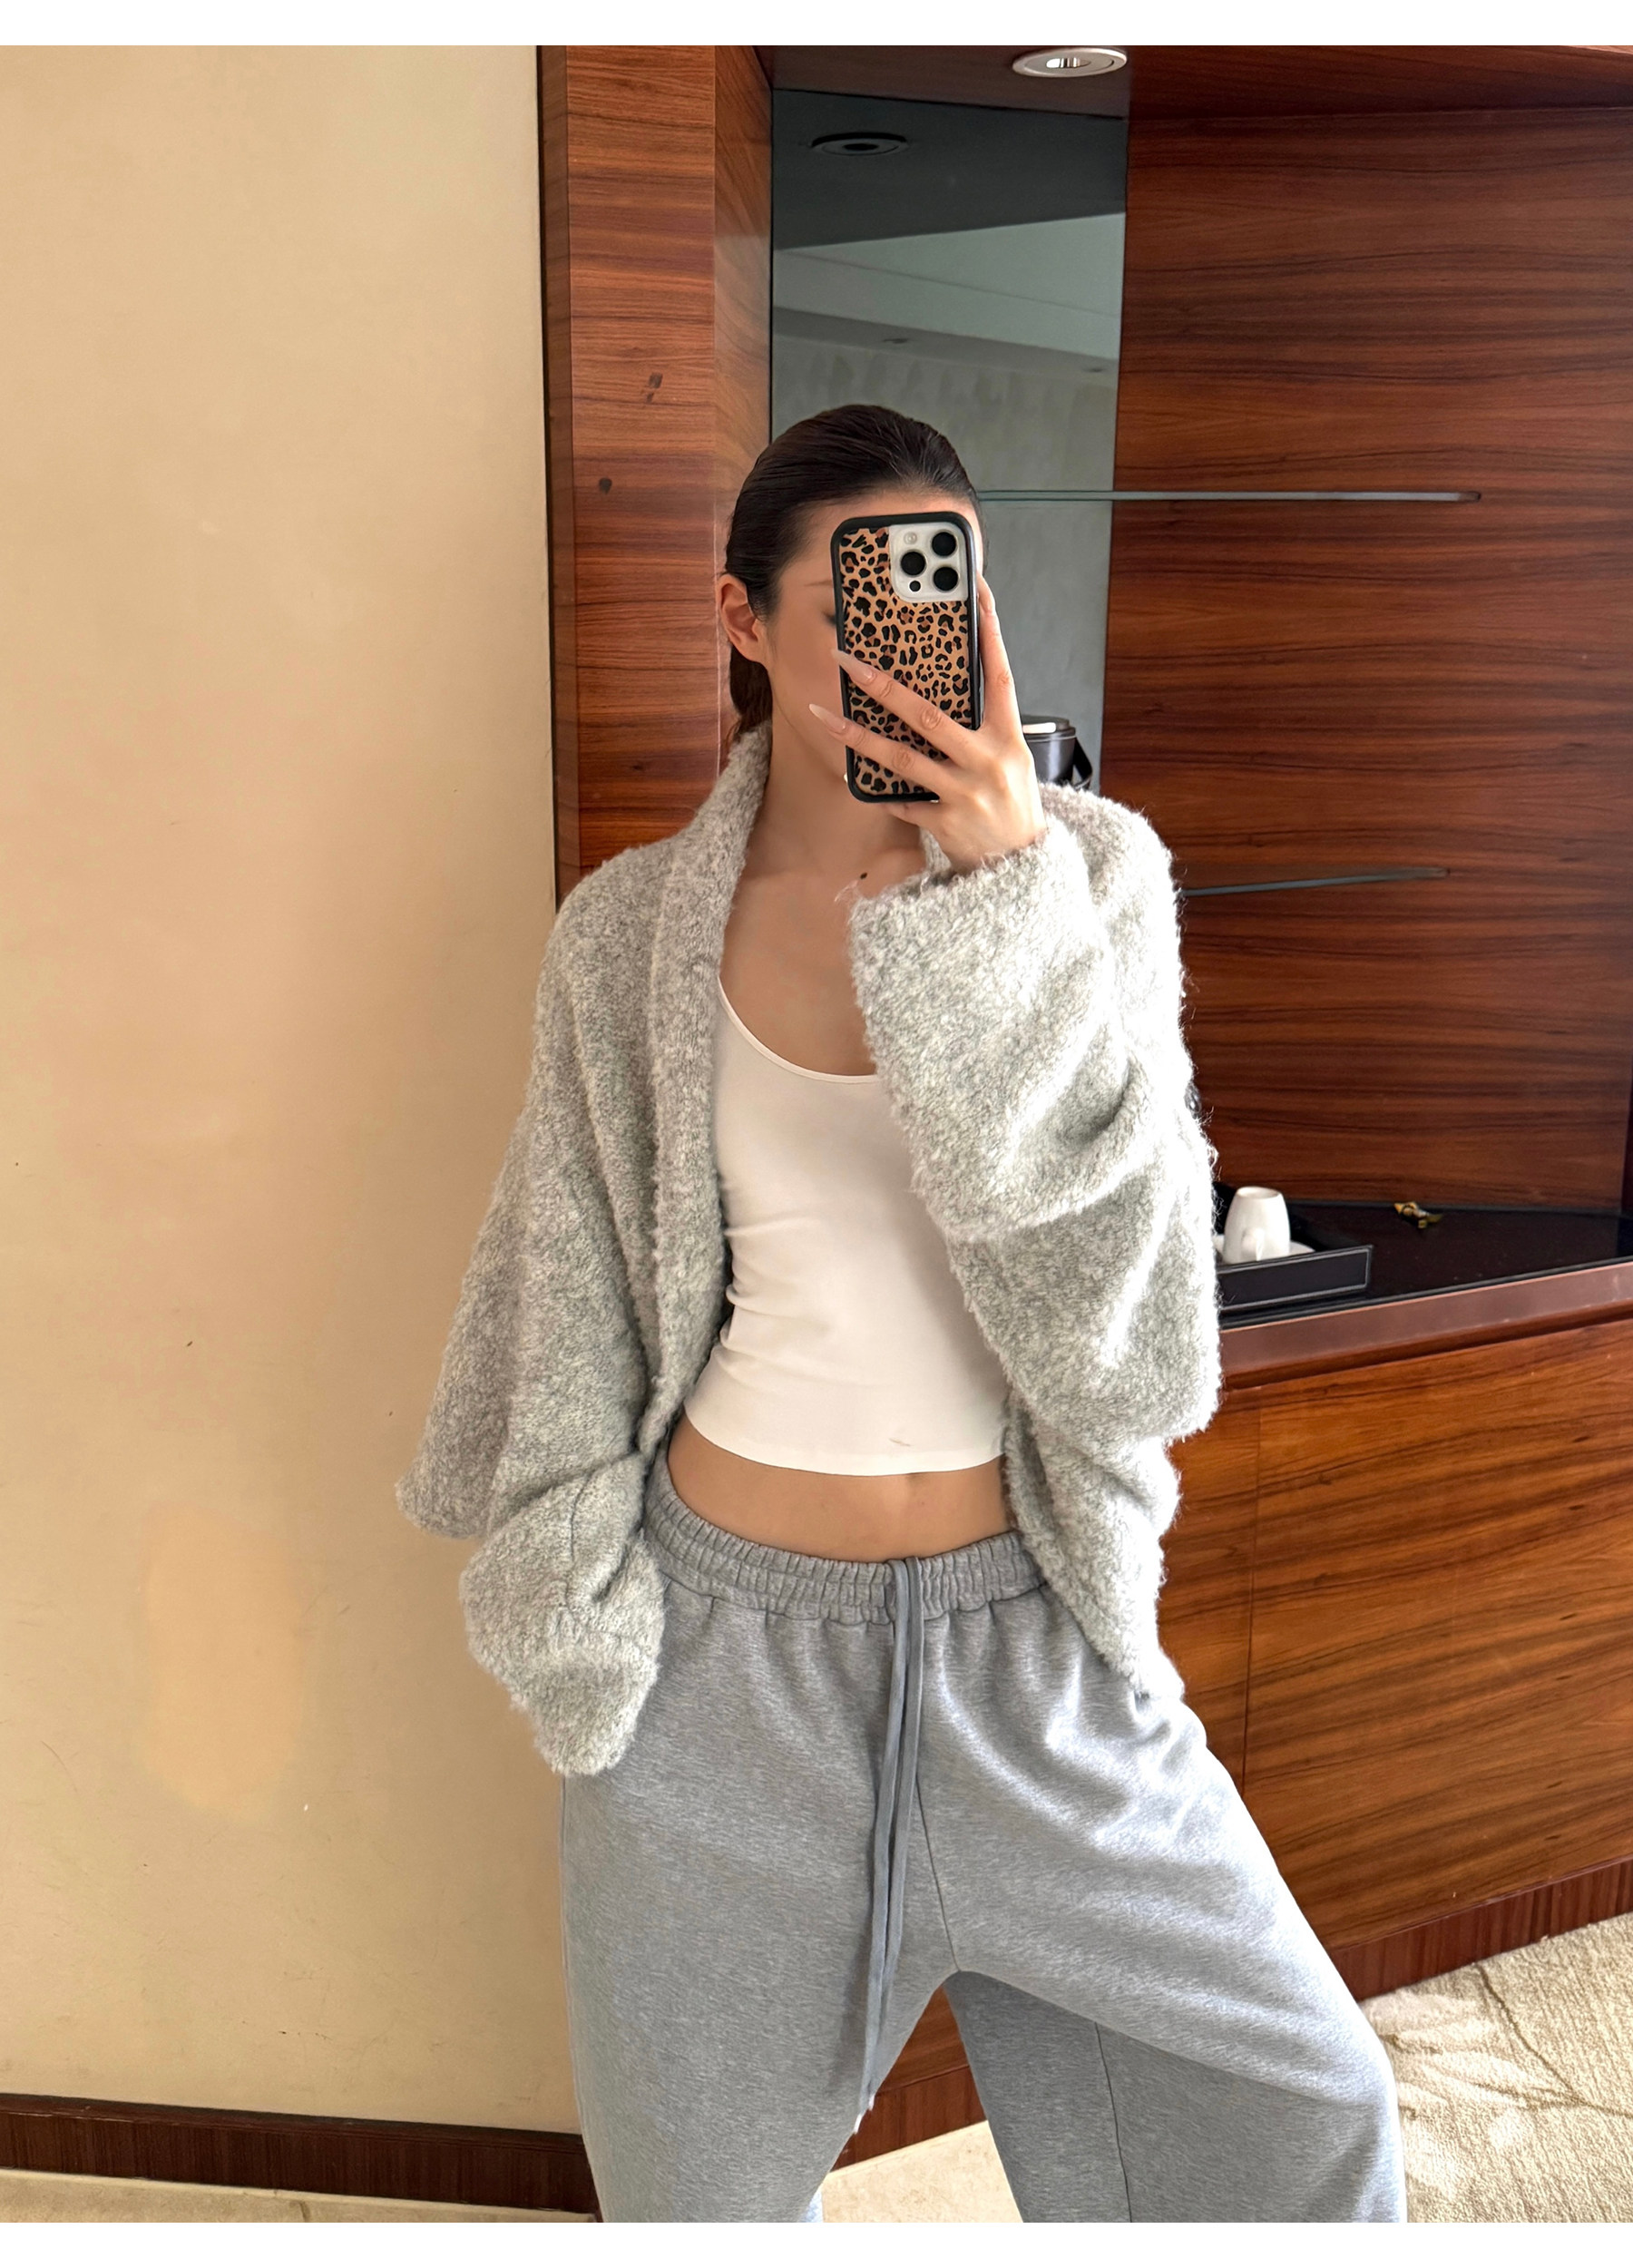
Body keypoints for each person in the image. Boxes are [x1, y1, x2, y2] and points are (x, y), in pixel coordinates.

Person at [396, 403, 1405, 2224]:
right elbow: (569, 1296)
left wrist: (1007, 901)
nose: (916, 644)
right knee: (694, 2198)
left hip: (1032, 1650)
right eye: (864, 601)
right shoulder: (628, 933)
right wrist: (578, 1625)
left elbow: (1134, 1326)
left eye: (951, 592)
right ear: (743, 616)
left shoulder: (1090, 874)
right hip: (716, 1669)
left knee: (1300, 2113)